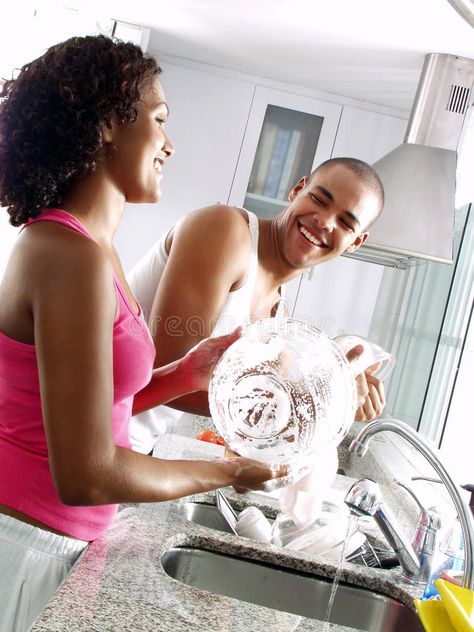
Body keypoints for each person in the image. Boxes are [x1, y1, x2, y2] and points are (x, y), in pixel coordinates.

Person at [0, 35, 285, 632]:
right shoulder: (66, 252)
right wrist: (229, 472)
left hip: (55, 541)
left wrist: (184, 373)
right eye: (159, 120)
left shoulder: (92, 249)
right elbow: (87, 473)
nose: (169, 144)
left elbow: (92, 409)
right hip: (22, 543)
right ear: (107, 124)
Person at [128, 156, 387, 455]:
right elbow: (167, 373)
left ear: (355, 242)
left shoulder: (279, 320)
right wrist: (315, 407)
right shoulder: (225, 231)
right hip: (81, 430)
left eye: (345, 222)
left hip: (134, 449)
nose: (325, 221)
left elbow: (264, 417)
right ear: (297, 189)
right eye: (319, 198)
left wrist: (337, 395)